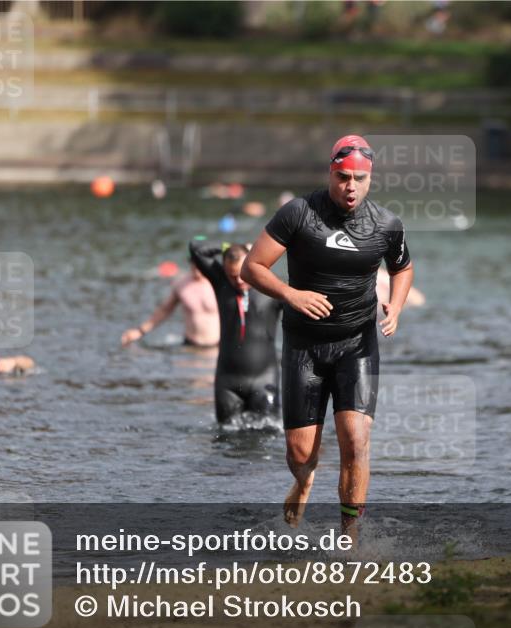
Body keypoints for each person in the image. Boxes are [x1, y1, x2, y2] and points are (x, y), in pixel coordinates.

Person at [241, 135, 414, 533]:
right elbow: (252, 267)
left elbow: (403, 267)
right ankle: (303, 483)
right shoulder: (298, 213)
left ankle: (349, 537)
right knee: (301, 454)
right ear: (330, 173)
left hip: (357, 345)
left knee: (356, 440)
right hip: (304, 346)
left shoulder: (386, 224)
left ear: (370, 179)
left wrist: (397, 305)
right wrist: (290, 294)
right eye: (342, 177)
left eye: (359, 178)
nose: (350, 187)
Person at [189, 239, 282, 424]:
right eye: (232, 276)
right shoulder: (221, 283)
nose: (239, 281)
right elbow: (197, 248)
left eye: (242, 274)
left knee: (267, 436)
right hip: (227, 384)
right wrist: (229, 245)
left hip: (264, 381)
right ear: (224, 270)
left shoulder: (272, 288)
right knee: (225, 439)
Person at [121, 262, 220, 348]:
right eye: (194, 262)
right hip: (191, 346)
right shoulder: (181, 284)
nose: (197, 266)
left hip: (217, 346)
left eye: (200, 262)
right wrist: (139, 331)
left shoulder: (220, 282)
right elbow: (164, 310)